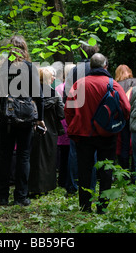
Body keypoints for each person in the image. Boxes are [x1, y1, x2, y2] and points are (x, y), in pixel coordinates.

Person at [65, 53, 131, 213]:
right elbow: (127, 108)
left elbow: (68, 110)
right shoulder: (113, 84)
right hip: (107, 134)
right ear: (105, 66)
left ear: (91, 67)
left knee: (84, 170)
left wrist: (75, 124)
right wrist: (116, 124)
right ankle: (102, 207)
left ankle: (85, 206)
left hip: (83, 134)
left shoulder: (79, 84)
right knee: (106, 171)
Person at [0, 35, 45, 207]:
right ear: (25, 49)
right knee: (23, 156)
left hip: (6, 120)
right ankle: (21, 196)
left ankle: (3, 197)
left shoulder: (2, 68)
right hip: (26, 119)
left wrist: (1, 115)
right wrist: (39, 119)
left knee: (4, 156)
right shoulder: (30, 67)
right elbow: (39, 97)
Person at [63, 43, 100, 196]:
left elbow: (67, 96)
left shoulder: (75, 70)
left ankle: (72, 186)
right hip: (96, 116)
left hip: (78, 114)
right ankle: (91, 186)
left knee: (74, 152)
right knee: (94, 152)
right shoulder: (98, 69)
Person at [28, 67, 65, 197]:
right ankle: (45, 187)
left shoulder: (30, 92)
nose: (54, 78)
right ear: (49, 78)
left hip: (32, 129)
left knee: (32, 158)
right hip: (50, 131)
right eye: (53, 76)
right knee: (48, 159)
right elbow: (61, 114)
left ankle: (31, 186)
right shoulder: (55, 94)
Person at [55, 63, 75, 191]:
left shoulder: (58, 88)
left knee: (63, 154)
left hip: (62, 122)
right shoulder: (77, 88)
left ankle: (62, 180)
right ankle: (70, 179)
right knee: (71, 154)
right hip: (71, 122)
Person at [114, 64, 136, 173]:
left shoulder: (115, 85)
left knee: (123, 144)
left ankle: (124, 172)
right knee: (135, 144)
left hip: (121, 117)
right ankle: (134, 171)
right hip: (135, 117)